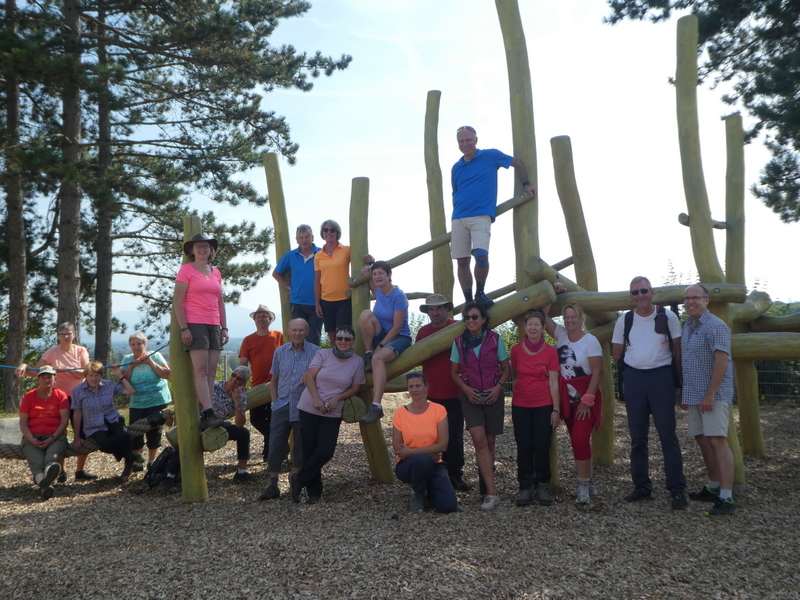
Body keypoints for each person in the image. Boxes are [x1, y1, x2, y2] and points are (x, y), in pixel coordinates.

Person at [612, 276, 687, 510]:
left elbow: (678, 352)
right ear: (631, 296)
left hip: (661, 377)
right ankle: (642, 485)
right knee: (637, 436)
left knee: (668, 435)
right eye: (635, 292)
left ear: (652, 292)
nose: (640, 295)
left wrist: (680, 384)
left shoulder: (668, 317)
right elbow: (617, 355)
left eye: (643, 290)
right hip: (635, 378)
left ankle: (677, 489)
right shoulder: (625, 320)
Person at [451, 125, 536, 308]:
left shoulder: (490, 155)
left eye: (468, 140)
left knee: (481, 256)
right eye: (461, 141)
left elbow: (517, 163)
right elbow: (455, 192)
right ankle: (468, 301)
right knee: (462, 260)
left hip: (481, 215)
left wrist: (526, 184)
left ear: (476, 140)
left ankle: (480, 293)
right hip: (458, 217)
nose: (465, 144)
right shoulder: (456, 167)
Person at [681, 284, 736, 517]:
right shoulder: (688, 326)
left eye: (695, 297)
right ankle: (713, 485)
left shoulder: (716, 326)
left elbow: (721, 360)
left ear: (706, 300)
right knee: (702, 439)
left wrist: (711, 393)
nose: (690, 302)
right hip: (694, 394)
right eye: (687, 298)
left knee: (718, 440)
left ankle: (727, 496)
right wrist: (687, 394)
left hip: (713, 395)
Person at [544, 286, 603, 504]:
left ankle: (582, 486)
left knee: (580, 439)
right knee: (576, 440)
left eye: (573, 317)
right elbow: (543, 315)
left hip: (584, 395)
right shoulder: (560, 335)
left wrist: (588, 399)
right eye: (566, 317)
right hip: (565, 396)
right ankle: (589, 479)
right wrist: (552, 291)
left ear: (581, 318)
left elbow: (598, 371)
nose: (569, 321)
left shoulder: (590, 341)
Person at [293, 326, 365, 504]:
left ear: (352, 342)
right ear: (335, 340)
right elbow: (310, 377)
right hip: (310, 406)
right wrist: (316, 399)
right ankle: (314, 492)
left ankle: (298, 479)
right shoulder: (323, 354)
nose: (343, 341)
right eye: (340, 338)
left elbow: (356, 387)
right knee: (309, 450)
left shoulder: (357, 362)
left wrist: (338, 396)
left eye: (347, 339)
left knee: (326, 451)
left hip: (333, 410)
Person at [16, 321, 95, 482]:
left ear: (74, 335)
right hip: (59, 398)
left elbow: (86, 373)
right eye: (62, 334)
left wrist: (68, 370)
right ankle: (61, 471)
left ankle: (80, 470)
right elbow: (36, 371)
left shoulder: (81, 351)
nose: (66, 337)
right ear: (58, 337)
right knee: (60, 432)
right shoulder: (51, 352)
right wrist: (23, 365)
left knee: (82, 433)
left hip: (79, 397)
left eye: (68, 333)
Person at [450, 301, 510, 510]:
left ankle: (486, 487)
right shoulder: (458, 343)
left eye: (475, 316)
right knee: (479, 441)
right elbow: (454, 372)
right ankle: (492, 494)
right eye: (467, 317)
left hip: (493, 396)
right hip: (471, 398)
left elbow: (505, 368)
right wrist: (466, 390)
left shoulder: (495, 339)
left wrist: (498, 388)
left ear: (484, 319)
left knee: (490, 442)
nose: (471, 320)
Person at [158, 366, 253, 491]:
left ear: (243, 383)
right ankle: (170, 476)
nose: (234, 379)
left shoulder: (241, 397)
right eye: (233, 375)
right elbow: (194, 402)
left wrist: (238, 404)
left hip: (218, 424)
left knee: (244, 433)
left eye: (239, 378)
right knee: (186, 439)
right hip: (200, 421)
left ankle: (242, 471)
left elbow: (240, 424)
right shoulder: (215, 386)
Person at [259, 319, 319, 501]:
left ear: (307, 331)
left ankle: (296, 479)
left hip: (304, 405)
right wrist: (274, 401)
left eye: (301, 330)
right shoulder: (280, 352)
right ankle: (273, 483)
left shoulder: (316, 352)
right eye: (295, 330)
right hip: (282, 405)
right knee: (276, 443)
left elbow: (321, 377)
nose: (298, 333)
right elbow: (274, 379)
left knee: (302, 445)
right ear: (289, 331)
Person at [416, 294, 470, 491]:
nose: (435, 312)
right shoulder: (423, 332)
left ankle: (455, 474)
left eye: (439, 308)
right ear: (428, 312)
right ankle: (435, 475)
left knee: (455, 437)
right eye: (431, 309)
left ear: (447, 309)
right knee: (431, 438)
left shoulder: (458, 327)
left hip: (455, 392)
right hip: (432, 394)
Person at [173, 232, 227, 431]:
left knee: (212, 370)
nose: (203, 249)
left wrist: (225, 327)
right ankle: (208, 411)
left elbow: (220, 302)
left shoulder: (216, 272)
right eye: (198, 246)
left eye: (206, 246)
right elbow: (178, 301)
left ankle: (209, 409)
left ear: (211, 250)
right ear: (192, 251)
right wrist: (184, 328)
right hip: (195, 323)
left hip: (214, 324)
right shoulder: (186, 270)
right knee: (201, 370)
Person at [510, 309, 560, 507]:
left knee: (542, 445)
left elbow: (554, 383)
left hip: (544, 404)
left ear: (543, 328)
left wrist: (556, 410)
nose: (532, 327)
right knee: (524, 446)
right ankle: (525, 485)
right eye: (529, 324)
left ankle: (542, 483)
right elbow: (515, 373)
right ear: (524, 326)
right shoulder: (516, 350)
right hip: (520, 404)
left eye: (536, 324)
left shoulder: (551, 352)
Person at [392, 372, 458, 514]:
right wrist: (425, 453)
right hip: (408, 465)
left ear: (426, 387)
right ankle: (418, 492)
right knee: (422, 460)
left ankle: (430, 490)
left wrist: (412, 451)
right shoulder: (400, 413)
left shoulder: (439, 410)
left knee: (448, 506)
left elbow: (443, 445)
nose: (414, 390)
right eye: (411, 387)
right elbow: (397, 448)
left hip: (435, 463)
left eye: (418, 386)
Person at [357, 260, 413, 424]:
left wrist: (380, 346)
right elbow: (369, 276)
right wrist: (367, 268)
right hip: (382, 333)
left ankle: (376, 406)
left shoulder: (398, 296)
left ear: (389, 275)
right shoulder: (379, 291)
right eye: (375, 274)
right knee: (365, 314)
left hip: (399, 337)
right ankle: (368, 353)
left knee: (378, 358)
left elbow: (396, 327)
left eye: (381, 273)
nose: (377, 276)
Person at [71, 362, 138, 481]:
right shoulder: (78, 390)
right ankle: (131, 456)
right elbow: (77, 413)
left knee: (122, 435)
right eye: (91, 375)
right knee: (104, 444)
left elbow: (130, 391)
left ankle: (129, 462)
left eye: (97, 375)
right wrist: (76, 436)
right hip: (93, 425)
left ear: (101, 375)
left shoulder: (109, 385)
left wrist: (119, 375)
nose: (94, 378)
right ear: (86, 376)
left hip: (112, 418)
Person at [238, 305, 284, 462]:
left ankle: (269, 453)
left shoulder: (280, 336)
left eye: (264, 316)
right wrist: (241, 382)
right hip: (256, 386)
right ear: (254, 320)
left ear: (270, 319)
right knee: (256, 420)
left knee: (273, 419)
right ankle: (279, 445)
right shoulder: (248, 340)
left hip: (277, 385)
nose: (261, 319)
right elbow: (243, 363)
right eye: (258, 317)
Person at [18, 366, 70, 499]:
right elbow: (23, 422)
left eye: (49, 377)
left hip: (56, 436)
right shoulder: (29, 396)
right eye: (43, 377)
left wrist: (53, 438)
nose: (46, 379)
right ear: (38, 379)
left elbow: (64, 421)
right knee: (36, 461)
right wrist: (31, 439)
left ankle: (45, 481)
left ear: (55, 379)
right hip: (32, 436)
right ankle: (46, 485)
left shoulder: (61, 395)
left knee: (51, 458)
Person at [122, 332, 172, 469]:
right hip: (137, 402)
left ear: (145, 345)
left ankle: (152, 461)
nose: (136, 347)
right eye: (133, 344)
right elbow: (122, 380)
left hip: (157, 399)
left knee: (154, 431)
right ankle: (138, 462)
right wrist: (131, 366)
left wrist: (150, 362)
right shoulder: (127, 359)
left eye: (139, 344)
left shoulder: (155, 356)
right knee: (135, 431)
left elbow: (165, 374)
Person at [273, 224, 324, 345]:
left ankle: (314, 364)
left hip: (317, 303)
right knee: (297, 337)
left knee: (313, 338)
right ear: (297, 239)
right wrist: (288, 286)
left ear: (312, 238)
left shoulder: (321, 254)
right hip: (298, 303)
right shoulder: (291, 255)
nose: (304, 240)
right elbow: (276, 273)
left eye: (307, 237)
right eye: (301, 237)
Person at [314, 219, 353, 339]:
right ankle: (333, 358)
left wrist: (370, 260)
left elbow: (361, 262)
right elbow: (317, 280)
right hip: (326, 301)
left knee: (343, 336)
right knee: (332, 338)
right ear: (322, 232)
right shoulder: (318, 255)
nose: (329, 232)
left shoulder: (347, 250)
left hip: (344, 299)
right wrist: (317, 304)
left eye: (332, 230)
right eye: (326, 230)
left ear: (337, 233)